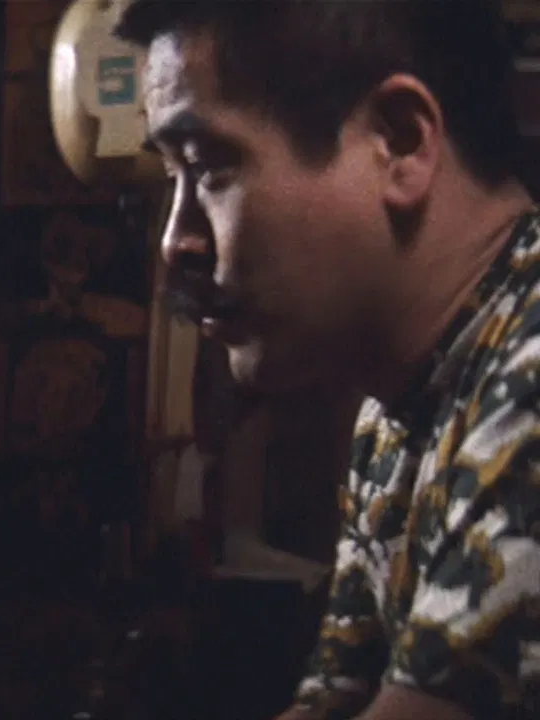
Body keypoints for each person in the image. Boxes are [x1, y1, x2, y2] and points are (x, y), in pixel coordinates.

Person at [115, 1, 538, 719]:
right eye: (171, 175)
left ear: (399, 142)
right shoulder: (397, 408)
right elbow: (334, 702)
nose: (174, 241)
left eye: (208, 166)